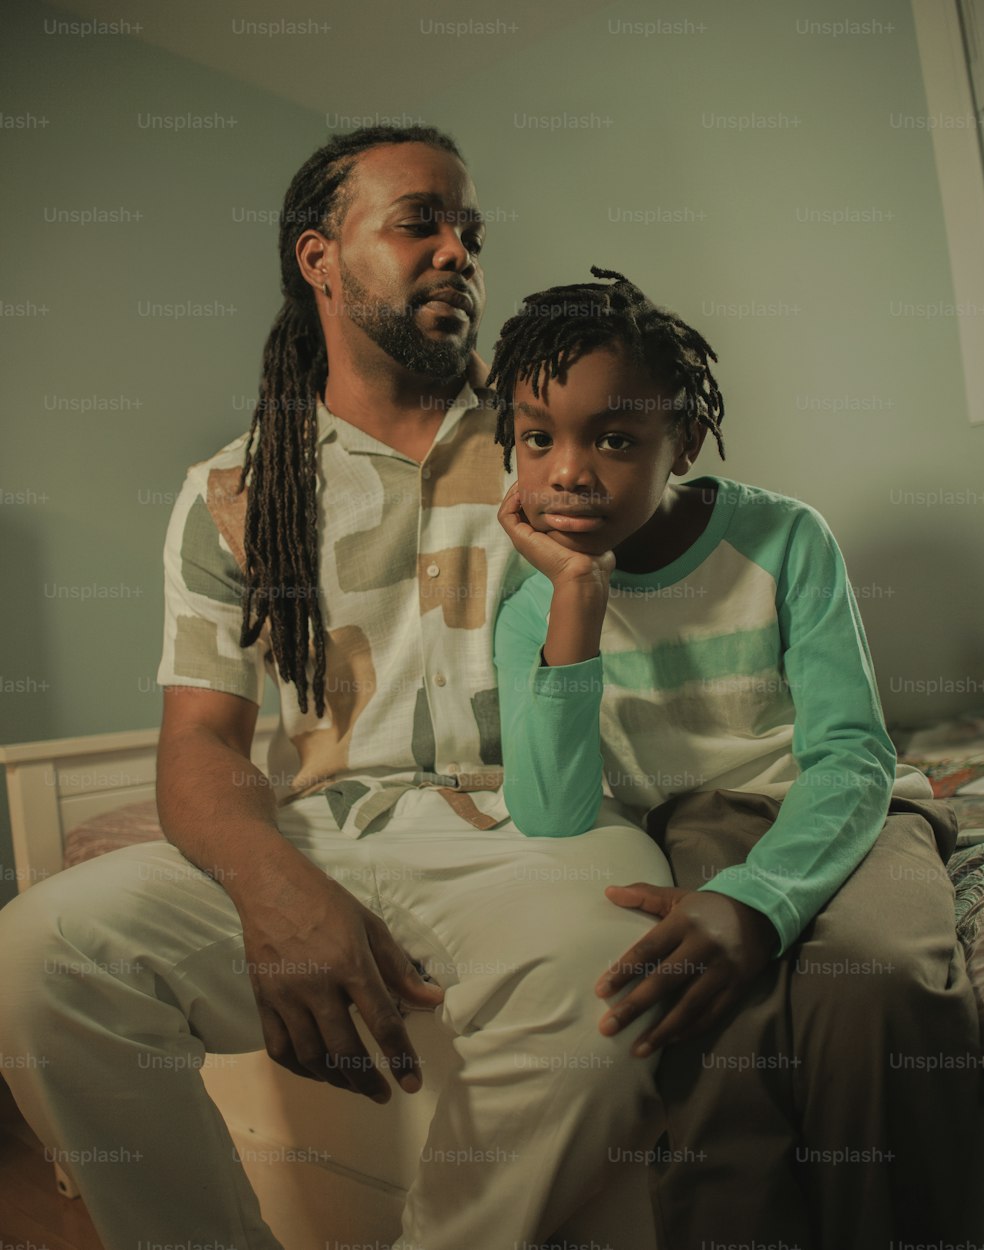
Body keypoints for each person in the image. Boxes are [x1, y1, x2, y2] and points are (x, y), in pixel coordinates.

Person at [0, 133, 673, 1250]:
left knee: (606, 1005)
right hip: (320, 829)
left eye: (471, 232)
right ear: (320, 257)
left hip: (538, 834)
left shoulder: (551, 441)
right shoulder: (236, 488)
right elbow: (204, 744)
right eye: (421, 222)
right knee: (37, 954)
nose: (458, 250)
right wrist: (274, 889)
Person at [490, 266, 984, 1249]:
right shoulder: (532, 607)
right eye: (537, 436)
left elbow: (849, 751)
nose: (568, 470)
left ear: (686, 441)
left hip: (846, 810)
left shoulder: (782, 537)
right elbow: (549, 813)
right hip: (689, 825)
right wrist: (577, 605)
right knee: (709, 1017)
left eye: (615, 438)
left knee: (877, 981)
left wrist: (759, 899)